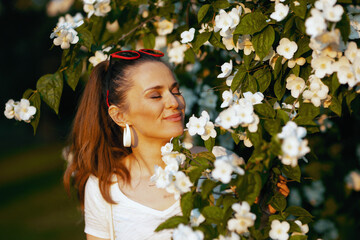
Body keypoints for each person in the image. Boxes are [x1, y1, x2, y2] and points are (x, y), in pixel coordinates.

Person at [63, 49, 289, 240]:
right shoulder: (105, 188)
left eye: (175, 90)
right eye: (155, 96)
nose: (175, 102)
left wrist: (264, 213)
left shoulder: (220, 164)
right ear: (120, 115)